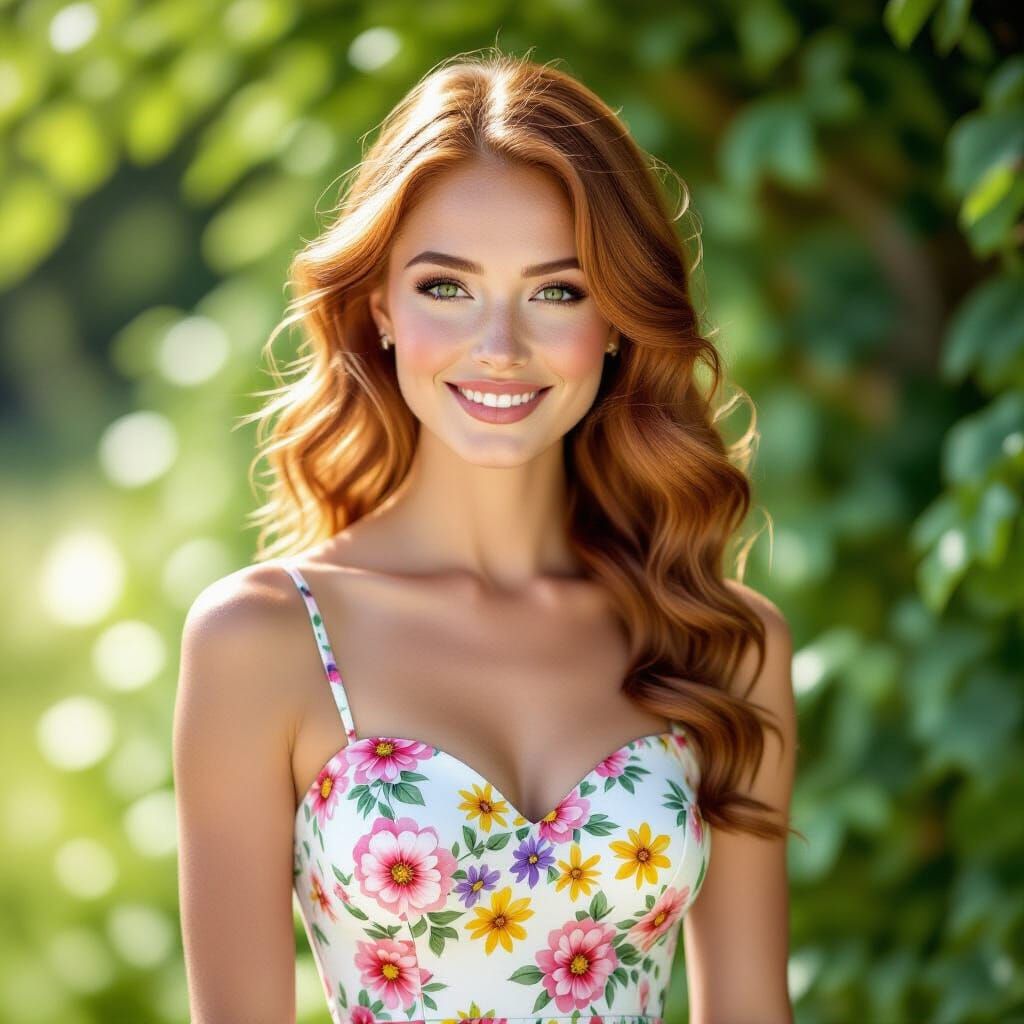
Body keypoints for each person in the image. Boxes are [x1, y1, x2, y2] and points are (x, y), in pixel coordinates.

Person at [173, 48, 798, 1024]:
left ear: (619, 320)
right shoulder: (266, 640)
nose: (499, 345)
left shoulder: (720, 642)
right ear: (379, 305)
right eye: (446, 287)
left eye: (556, 291)